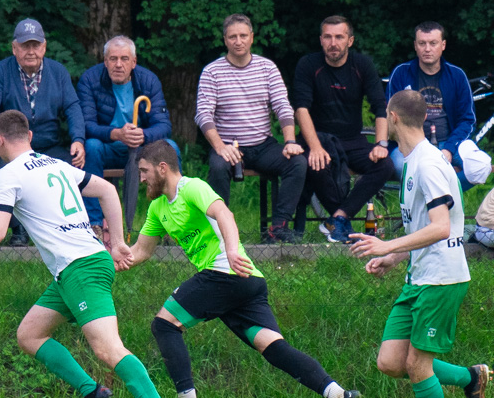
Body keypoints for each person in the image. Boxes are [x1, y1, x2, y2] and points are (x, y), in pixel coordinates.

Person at [0, 110, 180, 398]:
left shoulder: (9, 175)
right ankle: (92, 393)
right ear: (31, 137)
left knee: (108, 349)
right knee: (30, 335)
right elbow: (108, 190)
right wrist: (119, 241)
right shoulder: (56, 164)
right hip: (77, 267)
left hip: (80, 268)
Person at [120, 139, 362, 398]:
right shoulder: (158, 207)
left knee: (164, 325)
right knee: (274, 349)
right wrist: (103, 259)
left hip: (226, 273)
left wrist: (233, 250)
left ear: (162, 168)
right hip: (244, 283)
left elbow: (224, 214)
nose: (141, 177)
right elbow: (141, 252)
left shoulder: (192, 187)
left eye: (144, 171)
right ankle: (341, 397)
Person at [350, 90, 490, 398]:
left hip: (442, 278)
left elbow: (441, 227)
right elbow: (425, 227)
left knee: (417, 366)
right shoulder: (415, 161)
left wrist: (385, 245)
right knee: (391, 361)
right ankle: (471, 378)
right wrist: (394, 257)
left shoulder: (427, 164)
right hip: (419, 277)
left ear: (393, 117)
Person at [194, 14, 305, 243]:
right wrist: (220, 147)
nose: (238, 41)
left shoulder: (267, 68)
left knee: (297, 162)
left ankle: (279, 227)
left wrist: (290, 142)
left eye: (243, 35)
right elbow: (203, 114)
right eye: (232, 36)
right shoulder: (212, 72)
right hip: (228, 145)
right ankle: (221, 231)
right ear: (225, 40)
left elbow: (283, 107)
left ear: (251, 37)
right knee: (216, 167)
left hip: (263, 145)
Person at [0, 18, 86, 246]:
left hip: (50, 144)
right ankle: (18, 232)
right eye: (25, 45)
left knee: (71, 168)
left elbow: (72, 107)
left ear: (44, 47)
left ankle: (70, 229)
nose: (31, 51)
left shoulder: (58, 72)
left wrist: (78, 139)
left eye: (35, 45)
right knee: (5, 172)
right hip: (13, 146)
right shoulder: (0, 71)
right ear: (14, 48)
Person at [293, 15, 393, 244]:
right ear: (321, 40)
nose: (333, 42)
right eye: (327, 37)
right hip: (317, 140)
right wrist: (315, 147)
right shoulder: (308, 65)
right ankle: (339, 222)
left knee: (385, 164)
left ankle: (338, 218)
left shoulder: (362, 65)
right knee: (315, 164)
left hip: (353, 140)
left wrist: (380, 144)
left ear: (350, 41)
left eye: (339, 37)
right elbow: (301, 109)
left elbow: (380, 106)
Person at [77, 35, 180, 239]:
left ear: (134, 62)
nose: (118, 64)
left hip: (142, 149)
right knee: (91, 146)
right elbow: (86, 125)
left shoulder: (148, 80)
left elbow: (164, 125)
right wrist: (115, 133)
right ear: (105, 61)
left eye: (124, 59)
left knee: (171, 147)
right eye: (113, 59)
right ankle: (94, 224)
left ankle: (174, 219)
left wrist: (144, 135)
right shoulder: (89, 80)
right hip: (107, 146)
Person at [387, 22, 483, 191]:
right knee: (401, 166)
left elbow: (467, 120)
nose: (427, 49)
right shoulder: (401, 73)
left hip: (450, 141)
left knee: (479, 167)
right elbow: (391, 116)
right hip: (412, 143)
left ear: (443, 45)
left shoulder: (457, 75)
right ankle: (438, 206)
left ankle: (440, 199)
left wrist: (449, 149)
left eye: (433, 43)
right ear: (415, 46)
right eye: (422, 43)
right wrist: (413, 145)